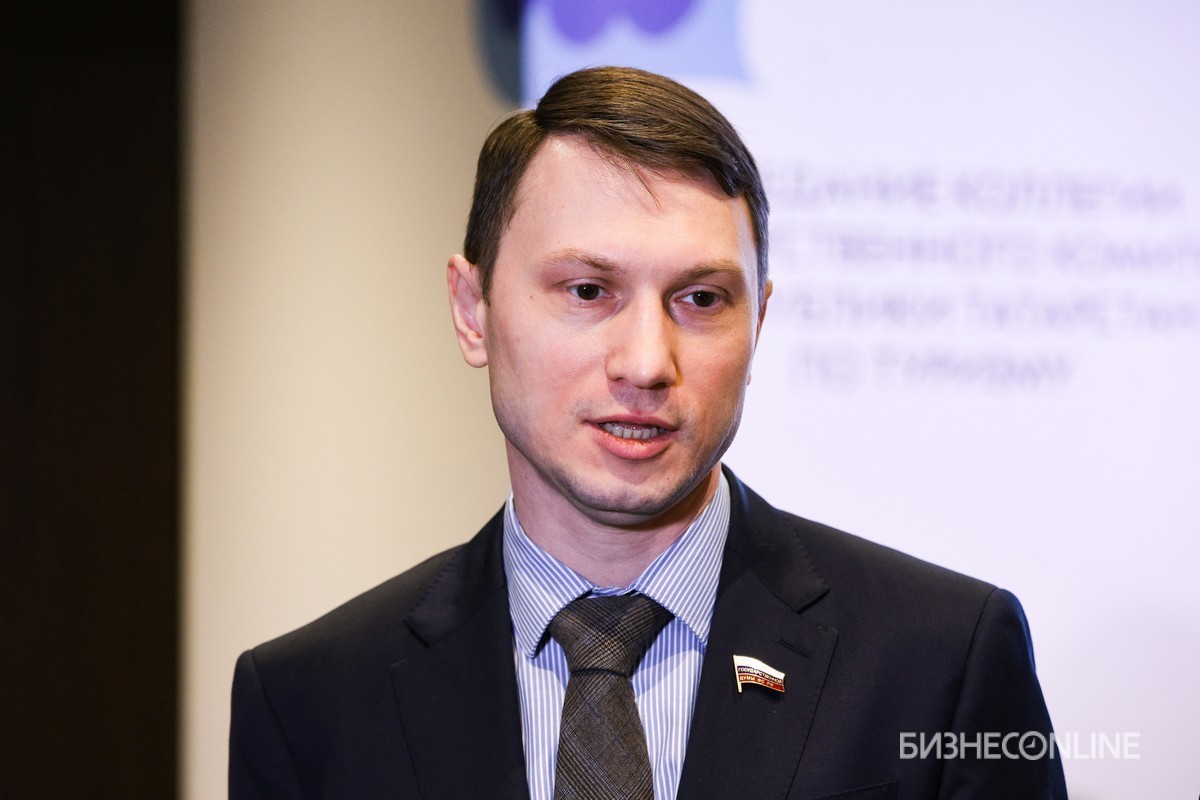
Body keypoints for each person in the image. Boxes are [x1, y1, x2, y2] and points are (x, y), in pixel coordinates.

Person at [229, 66, 1067, 799]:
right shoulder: (311, 701)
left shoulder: (940, 660)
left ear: (758, 322)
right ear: (472, 310)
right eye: (588, 291)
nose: (646, 362)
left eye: (701, 299)